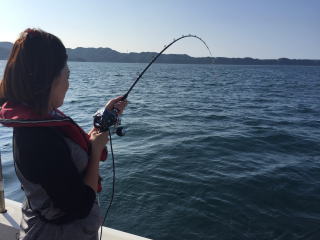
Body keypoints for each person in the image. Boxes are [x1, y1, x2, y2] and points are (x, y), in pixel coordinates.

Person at [0, 28, 127, 240]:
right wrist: (95, 152)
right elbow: (81, 205)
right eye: (66, 74)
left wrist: (101, 125)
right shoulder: (36, 140)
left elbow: (63, 159)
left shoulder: (41, 120)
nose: (68, 83)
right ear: (48, 79)